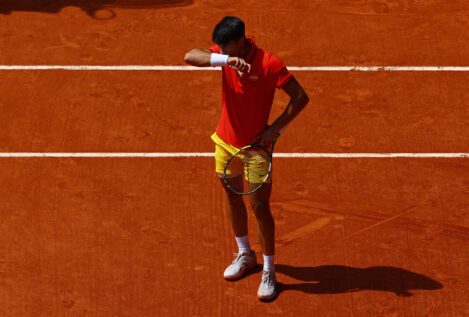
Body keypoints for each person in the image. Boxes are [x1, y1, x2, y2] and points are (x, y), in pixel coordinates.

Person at [184, 16, 309, 301]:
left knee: (260, 207)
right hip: (225, 143)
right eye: (219, 48)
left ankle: (269, 270)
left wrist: (273, 130)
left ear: (241, 41)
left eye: (226, 47)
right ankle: (245, 254)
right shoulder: (226, 56)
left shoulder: (269, 64)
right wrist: (224, 61)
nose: (221, 50)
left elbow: (300, 97)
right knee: (232, 196)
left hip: (256, 150)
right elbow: (190, 55)